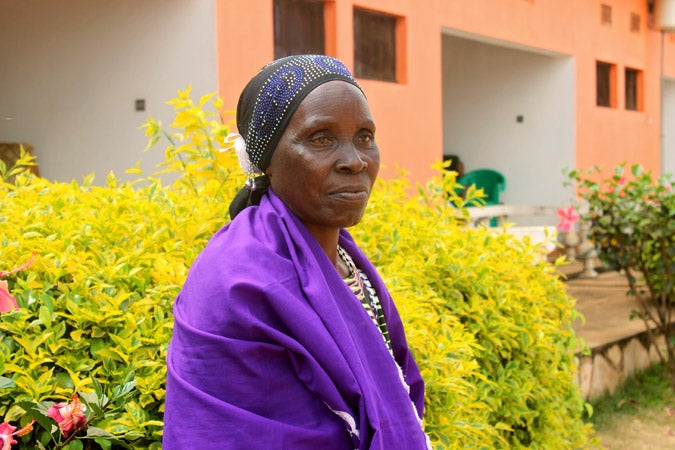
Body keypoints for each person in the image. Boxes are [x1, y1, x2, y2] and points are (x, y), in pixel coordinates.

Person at [163, 54, 430, 449]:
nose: (355, 161)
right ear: (267, 160)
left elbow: (396, 395)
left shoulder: (346, 260)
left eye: (364, 137)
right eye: (321, 138)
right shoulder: (237, 278)